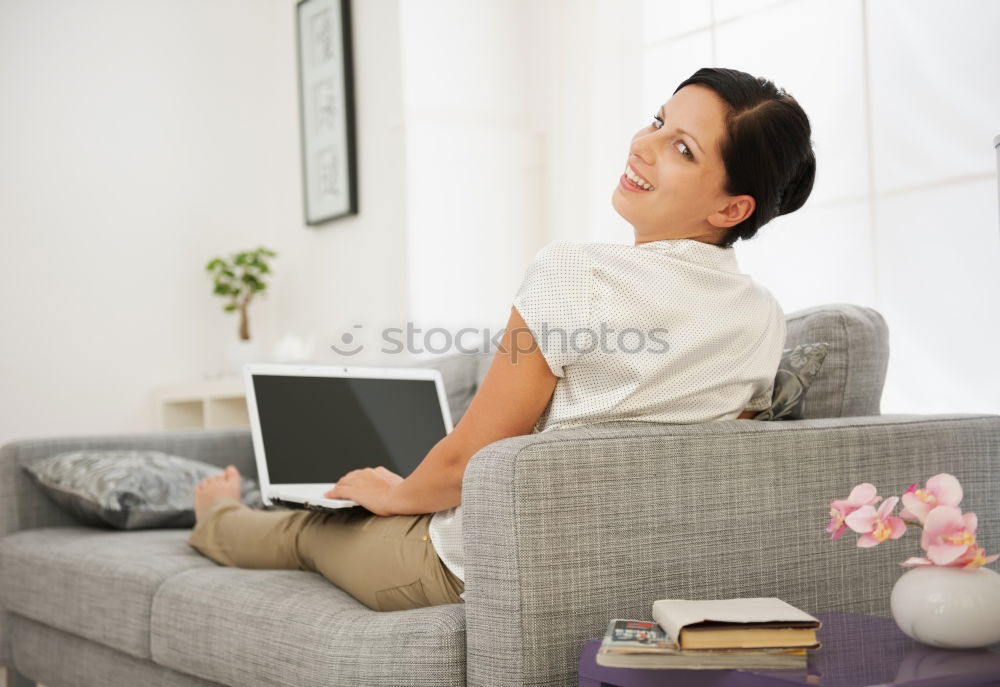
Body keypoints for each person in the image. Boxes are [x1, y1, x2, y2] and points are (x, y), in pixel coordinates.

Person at [187, 66, 816, 612]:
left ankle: (214, 516)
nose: (643, 146)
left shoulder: (574, 272)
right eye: (656, 119)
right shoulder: (764, 314)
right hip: (634, 573)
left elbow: (472, 461)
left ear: (733, 208)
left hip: (486, 564)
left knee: (309, 528)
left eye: (681, 148)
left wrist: (397, 493)